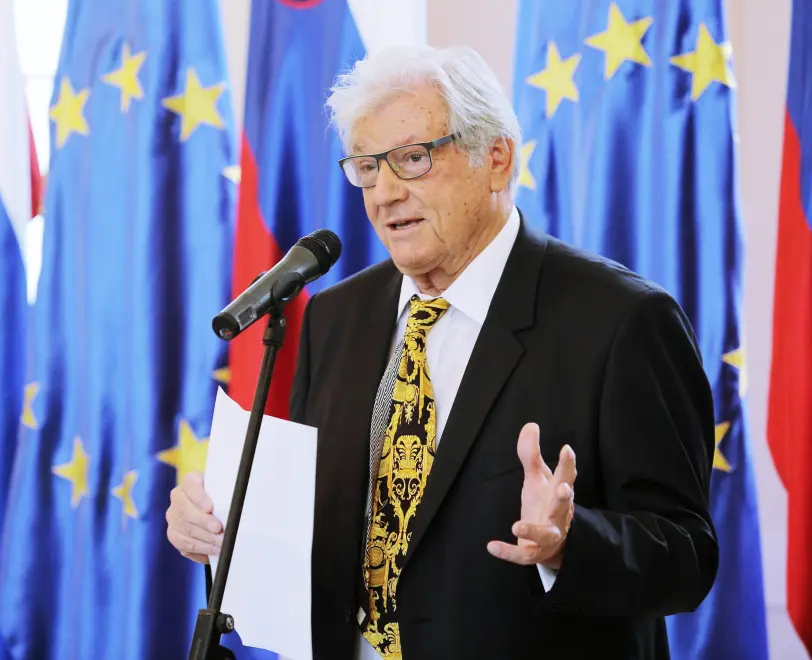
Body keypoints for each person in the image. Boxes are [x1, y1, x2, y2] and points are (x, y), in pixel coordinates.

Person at [166, 44, 718, 659]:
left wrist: (569, 543)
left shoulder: (622, 320)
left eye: (411, 158)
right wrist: (223, 528)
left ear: (497, 160)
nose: (384, 193)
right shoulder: (336, 316)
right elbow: (324, 520)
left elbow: (688, 554)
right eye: (368, 167)